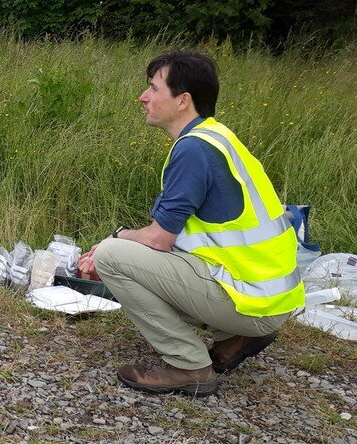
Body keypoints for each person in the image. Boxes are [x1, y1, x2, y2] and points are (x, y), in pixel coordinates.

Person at [78, 51, 305, 397]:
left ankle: (187, 365)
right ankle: (235, 337)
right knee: (125, 252)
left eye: (153, 89)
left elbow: (157, 240)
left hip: (251, 301)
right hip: (267, 297)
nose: (143, 97)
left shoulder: (193, 150)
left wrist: (116, 238)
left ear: (183, 100)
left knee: (112, 256)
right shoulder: (217, 137)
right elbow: (183, 234)